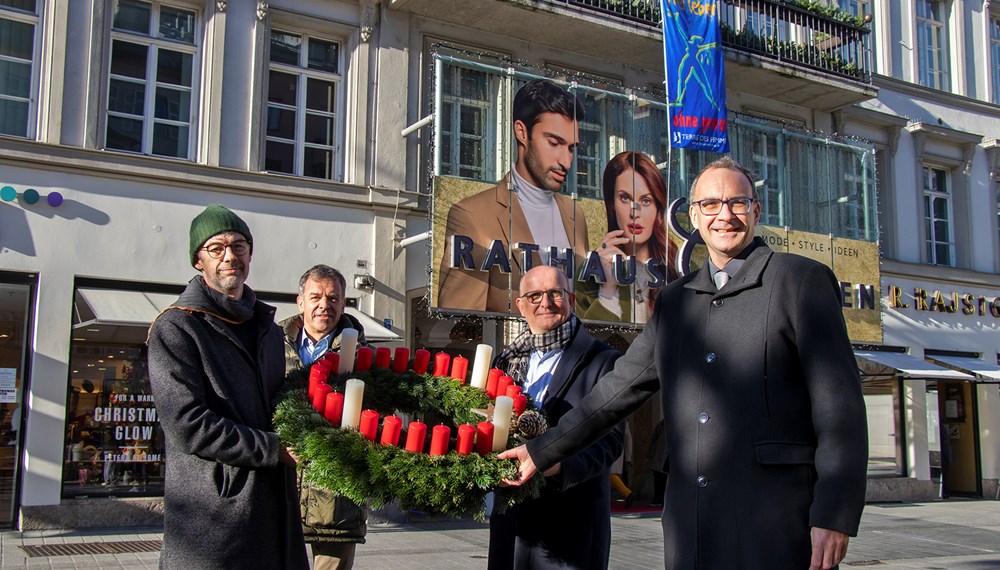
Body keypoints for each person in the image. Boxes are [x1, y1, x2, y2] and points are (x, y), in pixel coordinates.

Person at [500, 157, 869, 570]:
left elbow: (839, 408)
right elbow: (617, 389)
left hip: (779, 522)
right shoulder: (675, 300)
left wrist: (834, 513)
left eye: (737, 203)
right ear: (693, 215)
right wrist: (541, 451)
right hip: (692, 525)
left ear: (757, 211)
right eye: (710, 205)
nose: (724, 216)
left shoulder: (800, 281)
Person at [148, 204, 308, 569]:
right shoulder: (176, 327)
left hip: (275, 511)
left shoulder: (268, 328)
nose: (229, 256)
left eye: (238, 246)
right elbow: (188, 424)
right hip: (214, 520)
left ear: (250, 254)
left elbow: (277, 405)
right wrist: (274, 448)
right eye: (216, 248)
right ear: (197, 261)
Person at [488, 265, 624, 570]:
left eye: (555, 293)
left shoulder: (603, 360)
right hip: (511, 523)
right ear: (521, 306)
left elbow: (610, 443)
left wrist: (552, 464)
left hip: (570, 525)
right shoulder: (506, 360)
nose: (545, 303)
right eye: (534, 295)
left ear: (571, 299)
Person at [438, 79, 589, 313]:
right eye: (554, 143)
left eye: (571, 148)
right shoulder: (473, 214)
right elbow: (461, 317)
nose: (566, 161)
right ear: (521, 132)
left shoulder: (574, 214)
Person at [281, 264, 368, 569]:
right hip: (280, 486)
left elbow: (376, 416)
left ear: (343, 304)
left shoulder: (362, 355)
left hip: (337, 494)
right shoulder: (270, 346)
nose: (324, 305)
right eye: (315, 296)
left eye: (333, 298)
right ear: (300, 301)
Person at [578, 151, 677, 323]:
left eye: (646, 200)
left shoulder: (678, 267)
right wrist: (608, 290)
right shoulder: (591, 272)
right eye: (624, 198)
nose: (634, 212)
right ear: (612, 204)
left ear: (658, 208)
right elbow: (586, 341)